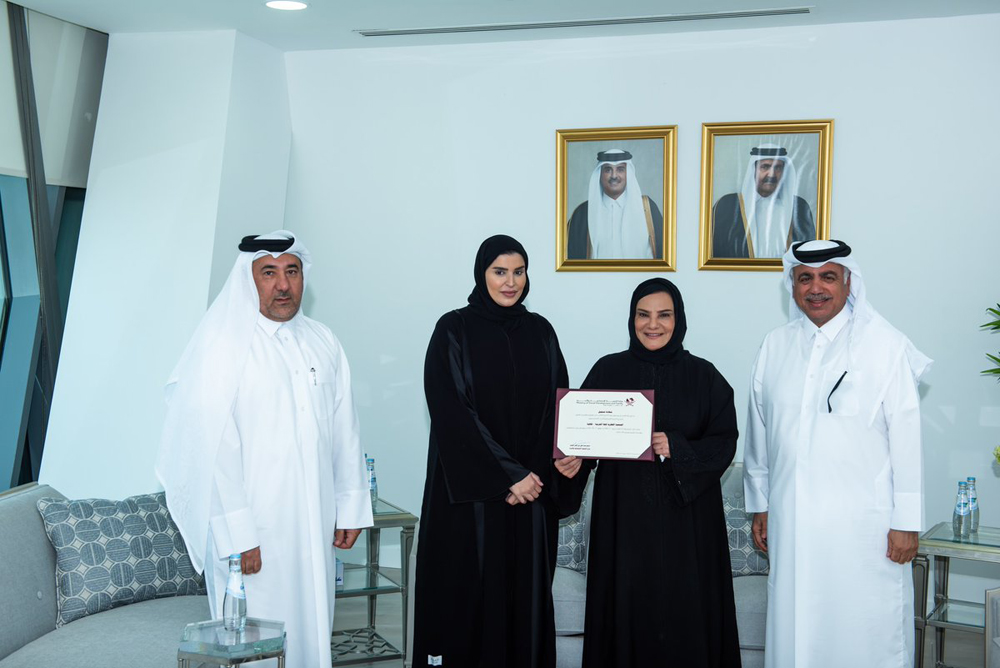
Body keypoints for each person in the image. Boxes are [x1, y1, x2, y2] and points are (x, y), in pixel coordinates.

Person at [155, 231, 373, 668]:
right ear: (246, 280)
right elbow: (213, 453)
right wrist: (239, 536)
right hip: (254, 531)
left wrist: (350, 507)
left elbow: (344, 430)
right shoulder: (222, 350)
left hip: (313, 520)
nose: (283, 285)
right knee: (253, 642)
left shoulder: (324, 340)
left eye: (292, 271)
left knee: (312, 629)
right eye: (268, 273)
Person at [743, 239, 931, 668]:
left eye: (828, 277)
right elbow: (760, 433)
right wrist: (761, 505)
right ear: (792, 286)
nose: (816, 288)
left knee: (865, 630)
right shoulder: (775, 345)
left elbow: (907, 439)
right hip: (791, 521)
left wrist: (906, 523)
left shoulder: (885, 345)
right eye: (804, 278)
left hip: (864, 530)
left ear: (849, 282)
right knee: (796, 625)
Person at [413, 235, 583, 668]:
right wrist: (510, 475)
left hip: (531, 498)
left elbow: (557, 406)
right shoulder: (453, 329)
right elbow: (452, 411)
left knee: (524, 608)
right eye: (500, 272)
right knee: (469, 608)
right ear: (481, 274)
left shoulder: (541, 332)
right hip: (471, 502)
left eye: (519, 272)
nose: (511, 282)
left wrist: (554, 462)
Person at [559, 278, 742, 668]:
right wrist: (574, 461)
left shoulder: (705, 376)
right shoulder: (608, 370)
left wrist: (678, 447)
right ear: (632, 319)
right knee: (625, 611)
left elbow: (725, 440)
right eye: (643, 315)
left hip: (689, 527)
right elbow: (584, 436)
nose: (653, 324)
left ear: (679, 319)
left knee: (686, 615)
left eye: (664, 315)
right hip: (623, 522)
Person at [712, 144, 815, 258]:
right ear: (753, 170)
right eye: (765, 167)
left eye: (778, 168)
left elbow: (809, 253)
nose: (772, 174)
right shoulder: (727, 206)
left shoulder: (799, 207)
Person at [567, 149, 663, 260]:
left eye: (620, 169)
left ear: (628, 174)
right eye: (608, 170)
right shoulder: (582, 213)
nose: (614, 176)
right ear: (600, 174)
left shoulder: (647, 208)